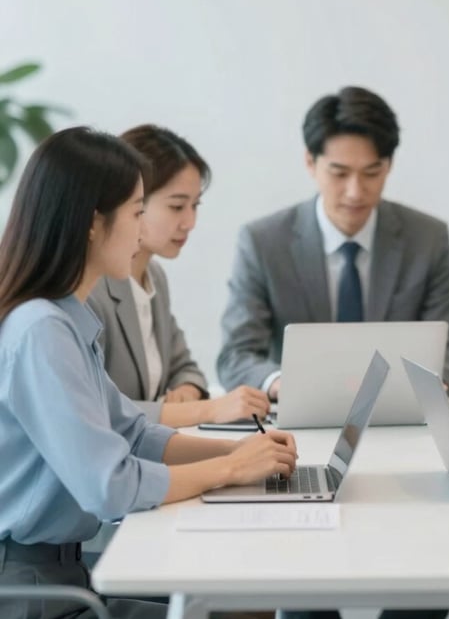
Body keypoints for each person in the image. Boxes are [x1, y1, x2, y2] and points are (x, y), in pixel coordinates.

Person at [0, 127, 297, 619]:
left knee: (246, 605)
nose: (143, 233)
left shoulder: (67, 321)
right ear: (94, 224)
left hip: (62, 578)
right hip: (33, 595)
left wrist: (243, 452)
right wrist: (231, 469)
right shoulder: (41, 332)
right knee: (241, 609)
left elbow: (134, 434)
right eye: (138, 212)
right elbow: (110, 486)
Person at [217, 85, 449, 399]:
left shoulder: (426, 239)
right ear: (310, 163)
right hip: (298, 416)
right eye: (339, 173)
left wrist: (426, 387)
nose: (355, 191)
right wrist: (286, 386)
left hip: (399, 416)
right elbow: (236, 355)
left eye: (371, 172)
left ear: (389, 165)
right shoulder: (263, 242)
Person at [87, 124, 270, 428]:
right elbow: (96, 408)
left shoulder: (154, 275)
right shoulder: (90, 289)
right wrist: (205, 411)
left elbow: (185, 365)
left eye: (195, 206)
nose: (190, 222)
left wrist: (187, 390)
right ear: (131, 201)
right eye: (176, 206)